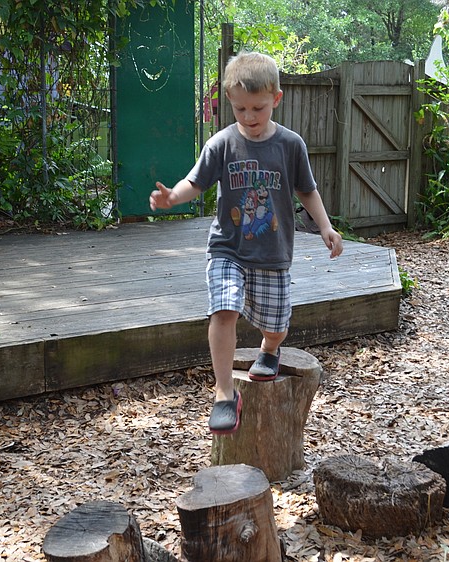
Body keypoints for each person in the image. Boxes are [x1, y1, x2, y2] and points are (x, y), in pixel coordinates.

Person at [149, 51, 343, 435]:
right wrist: (173, 197)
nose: (249, 118)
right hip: (228, 248)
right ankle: (224, 394)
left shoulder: (290, 145)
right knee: (223, 310)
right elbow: (196, 182)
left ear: (276, 99)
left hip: (272, 253)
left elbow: (307, 190)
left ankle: (270, 350)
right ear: (229, 104)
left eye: (258, 108)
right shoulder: (221, 144)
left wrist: (325, 227)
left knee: (276, 324)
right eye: (240, 110)